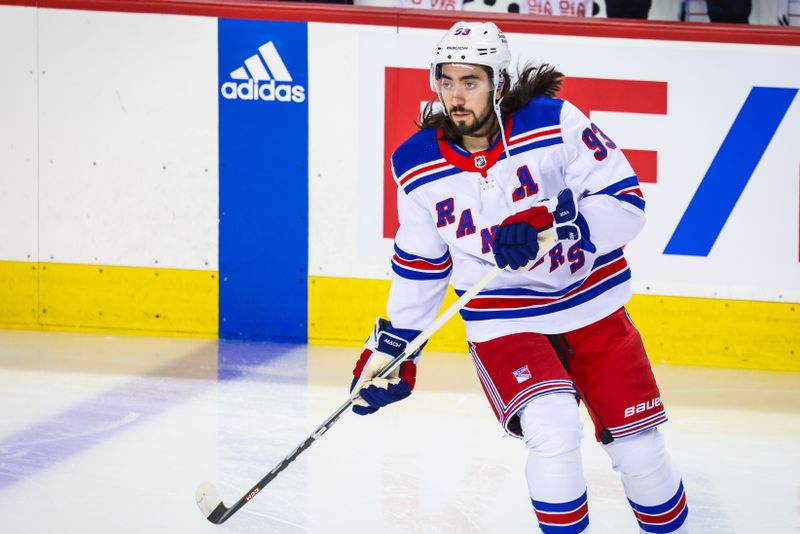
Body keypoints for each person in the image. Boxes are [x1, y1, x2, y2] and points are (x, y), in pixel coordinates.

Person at [349, 21, 689, 533]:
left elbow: (627, 205)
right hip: (503, 321)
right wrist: (394, 348)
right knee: (551, 426)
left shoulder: (554, 123)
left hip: (591, 303)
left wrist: (553, 228)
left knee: (641, 449)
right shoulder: (415, 163)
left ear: (499, 82)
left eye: (471, 81)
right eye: (446, 81)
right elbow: (421, 262)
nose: (456, 95)